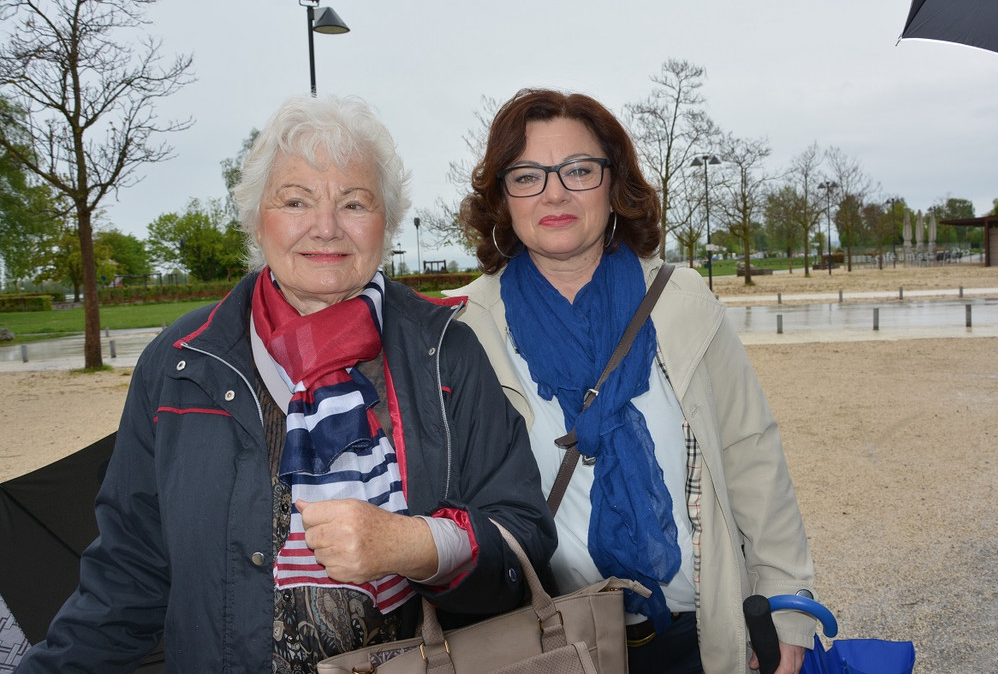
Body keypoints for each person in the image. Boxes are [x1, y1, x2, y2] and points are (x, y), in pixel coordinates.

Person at [17, 95, 556, 673]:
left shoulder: (446, 351)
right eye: (296, 201)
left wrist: (416, 545)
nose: (326, 227)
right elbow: (128, 575)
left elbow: (522, 540)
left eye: (354, 202)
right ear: (256, 219)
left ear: (387, 223)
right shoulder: (179, 364)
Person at [450, 88, 815, 674]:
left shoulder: (682, 300)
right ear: (502, 197)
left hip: (700, 639)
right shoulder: (466, 327)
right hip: (551, 646)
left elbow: (752, 455)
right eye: (527, 176)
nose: (554, 193)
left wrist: (787, 605)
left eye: (579, 170)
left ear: (614, 184)